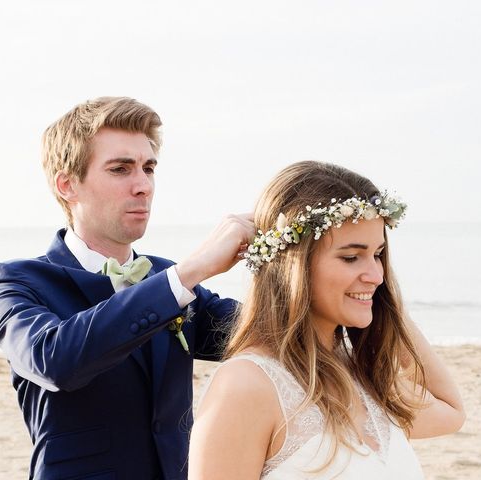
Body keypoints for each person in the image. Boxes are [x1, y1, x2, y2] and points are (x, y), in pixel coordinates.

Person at [0, 96, 254, 480]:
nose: (143, 186)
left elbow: (265, 331)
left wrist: (309, 253)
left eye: (148, 167)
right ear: (67, 184)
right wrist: (192, 270)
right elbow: (55, 361)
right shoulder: (13, 281)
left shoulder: (165, 275)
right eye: (121, 169)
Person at [189, 161, 466, 479]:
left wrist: (384, 302)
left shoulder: (360, 371)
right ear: (292, 263)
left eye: (378, 254)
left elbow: (450, 411)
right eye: (351, 257)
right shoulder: (245, 386)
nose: (376, 275)